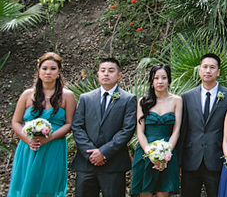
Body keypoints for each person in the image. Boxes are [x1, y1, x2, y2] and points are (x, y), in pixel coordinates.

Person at [8, 52, 77, 197]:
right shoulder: (27, 95)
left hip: (54, 146)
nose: (48, 72)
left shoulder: (68, 96)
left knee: (48, 185)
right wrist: (27, 139)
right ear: (39, 71)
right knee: (26, 185)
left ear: (58, 72)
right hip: (28, 147)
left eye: (53, 68)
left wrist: (50, 137)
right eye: (44, 68)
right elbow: (15, 122)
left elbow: (69, 124)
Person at [70, 57, 137, 197]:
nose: (106, 73)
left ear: (119, 75)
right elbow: (77, 126)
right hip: (86, 162)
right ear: (98, 74)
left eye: (111, 71)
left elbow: (127, 129)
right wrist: (91, 153)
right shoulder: (85, 98)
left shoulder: (128, 99)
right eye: (103, 70)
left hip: (113, 163)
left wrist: (104, 152)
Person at [180, 53, 227, 197]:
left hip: (217, 158)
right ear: (199, 70)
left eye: (212, 67)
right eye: (204, 67)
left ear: (218, 72)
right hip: (191, 159)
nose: (208, 71)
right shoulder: (187, 97)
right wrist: (179, 161)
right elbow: (182, 131)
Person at [130, 64, 183, 197]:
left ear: (169, 80)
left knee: (163, 192)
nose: (160, 81)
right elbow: (140, 132)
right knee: (145, 193)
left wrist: (165, 154)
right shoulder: (143, 101)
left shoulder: (177, 100)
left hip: (168, 153)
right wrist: (150, 153)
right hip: (145, 151)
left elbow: (176, 130)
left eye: (164, 78)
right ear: (151, 81)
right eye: (156, 78)